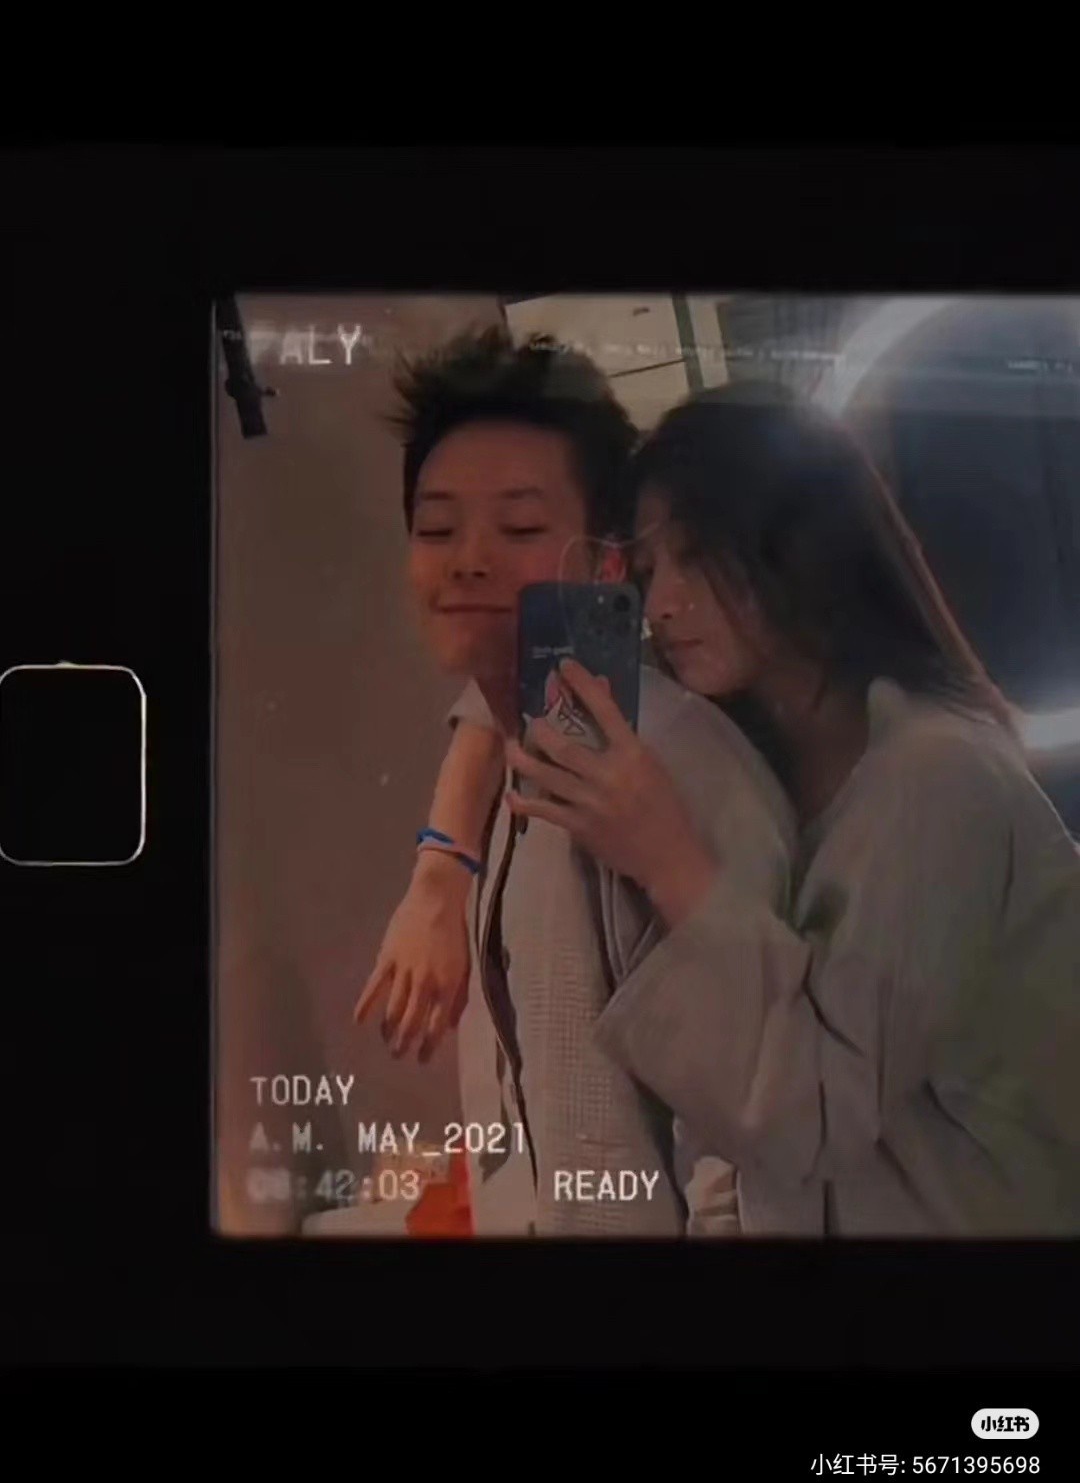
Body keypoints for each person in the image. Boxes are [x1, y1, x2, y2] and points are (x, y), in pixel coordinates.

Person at [392, 378, 1080, 1236]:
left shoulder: (934, 781)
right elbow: (497, 686)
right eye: (649, 572)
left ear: (797, 547)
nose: (663, 604)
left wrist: (670, 859)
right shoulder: (749, 733)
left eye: (696, 557)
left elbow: (814, 1114)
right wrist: (442, 863)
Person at [355, 330, 796, 1235]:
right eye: (436, 529)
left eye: (519, 529)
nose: (468, 560)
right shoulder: (514, 753)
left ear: (607, 564)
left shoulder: (671, 774)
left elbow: (749, 1166)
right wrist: (440, 869)